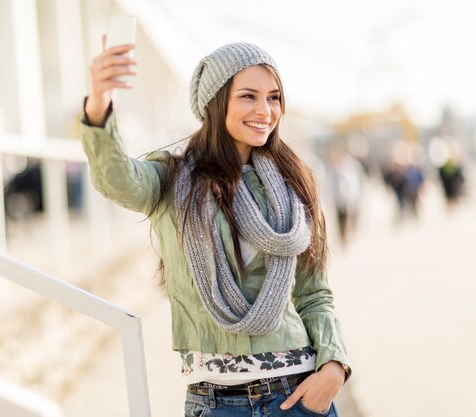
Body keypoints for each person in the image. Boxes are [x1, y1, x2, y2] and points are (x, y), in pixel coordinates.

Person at [81, 40, 350, 416]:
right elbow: (116, 178)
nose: (265, 110)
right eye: (248, 96)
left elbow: (314, 293)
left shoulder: (294, 183)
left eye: (273, 98)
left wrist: (334, 366)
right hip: (216, 403)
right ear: (216, 102)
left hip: (298, 396)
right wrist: (99, 104)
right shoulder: (173, 180)